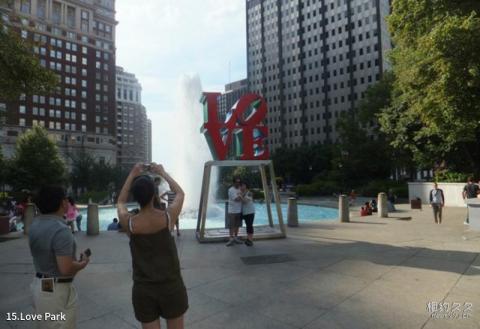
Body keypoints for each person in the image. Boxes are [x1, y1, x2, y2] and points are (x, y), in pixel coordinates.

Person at [117, 163, 188, 329]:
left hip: (144, 290)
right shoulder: (168, 218)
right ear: (154, 194)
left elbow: (120, 201)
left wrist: (132, 174)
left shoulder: (130, 223)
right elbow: (180, 193)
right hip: (171, 286)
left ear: (135, 197)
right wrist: (163, 173)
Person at [29, 186, 90, 329]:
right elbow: (66, 268)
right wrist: (82, 263)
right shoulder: (61, 230)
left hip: (41, 284)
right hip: (54, 290)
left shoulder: (35, 224)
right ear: (63, 203)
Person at [226, 177, 244, 246]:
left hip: (239, 210)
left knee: (237, 225)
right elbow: (236, 199)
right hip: (232, 211)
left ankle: (236, 238)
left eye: (239, 182)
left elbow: (242, 198)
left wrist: (241, 196)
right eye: (236, 182)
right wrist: (242, 196)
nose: (238, 183)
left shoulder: (240, 189)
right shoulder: (230, 190)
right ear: (233, 182)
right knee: (232, 225)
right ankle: (231, 239)